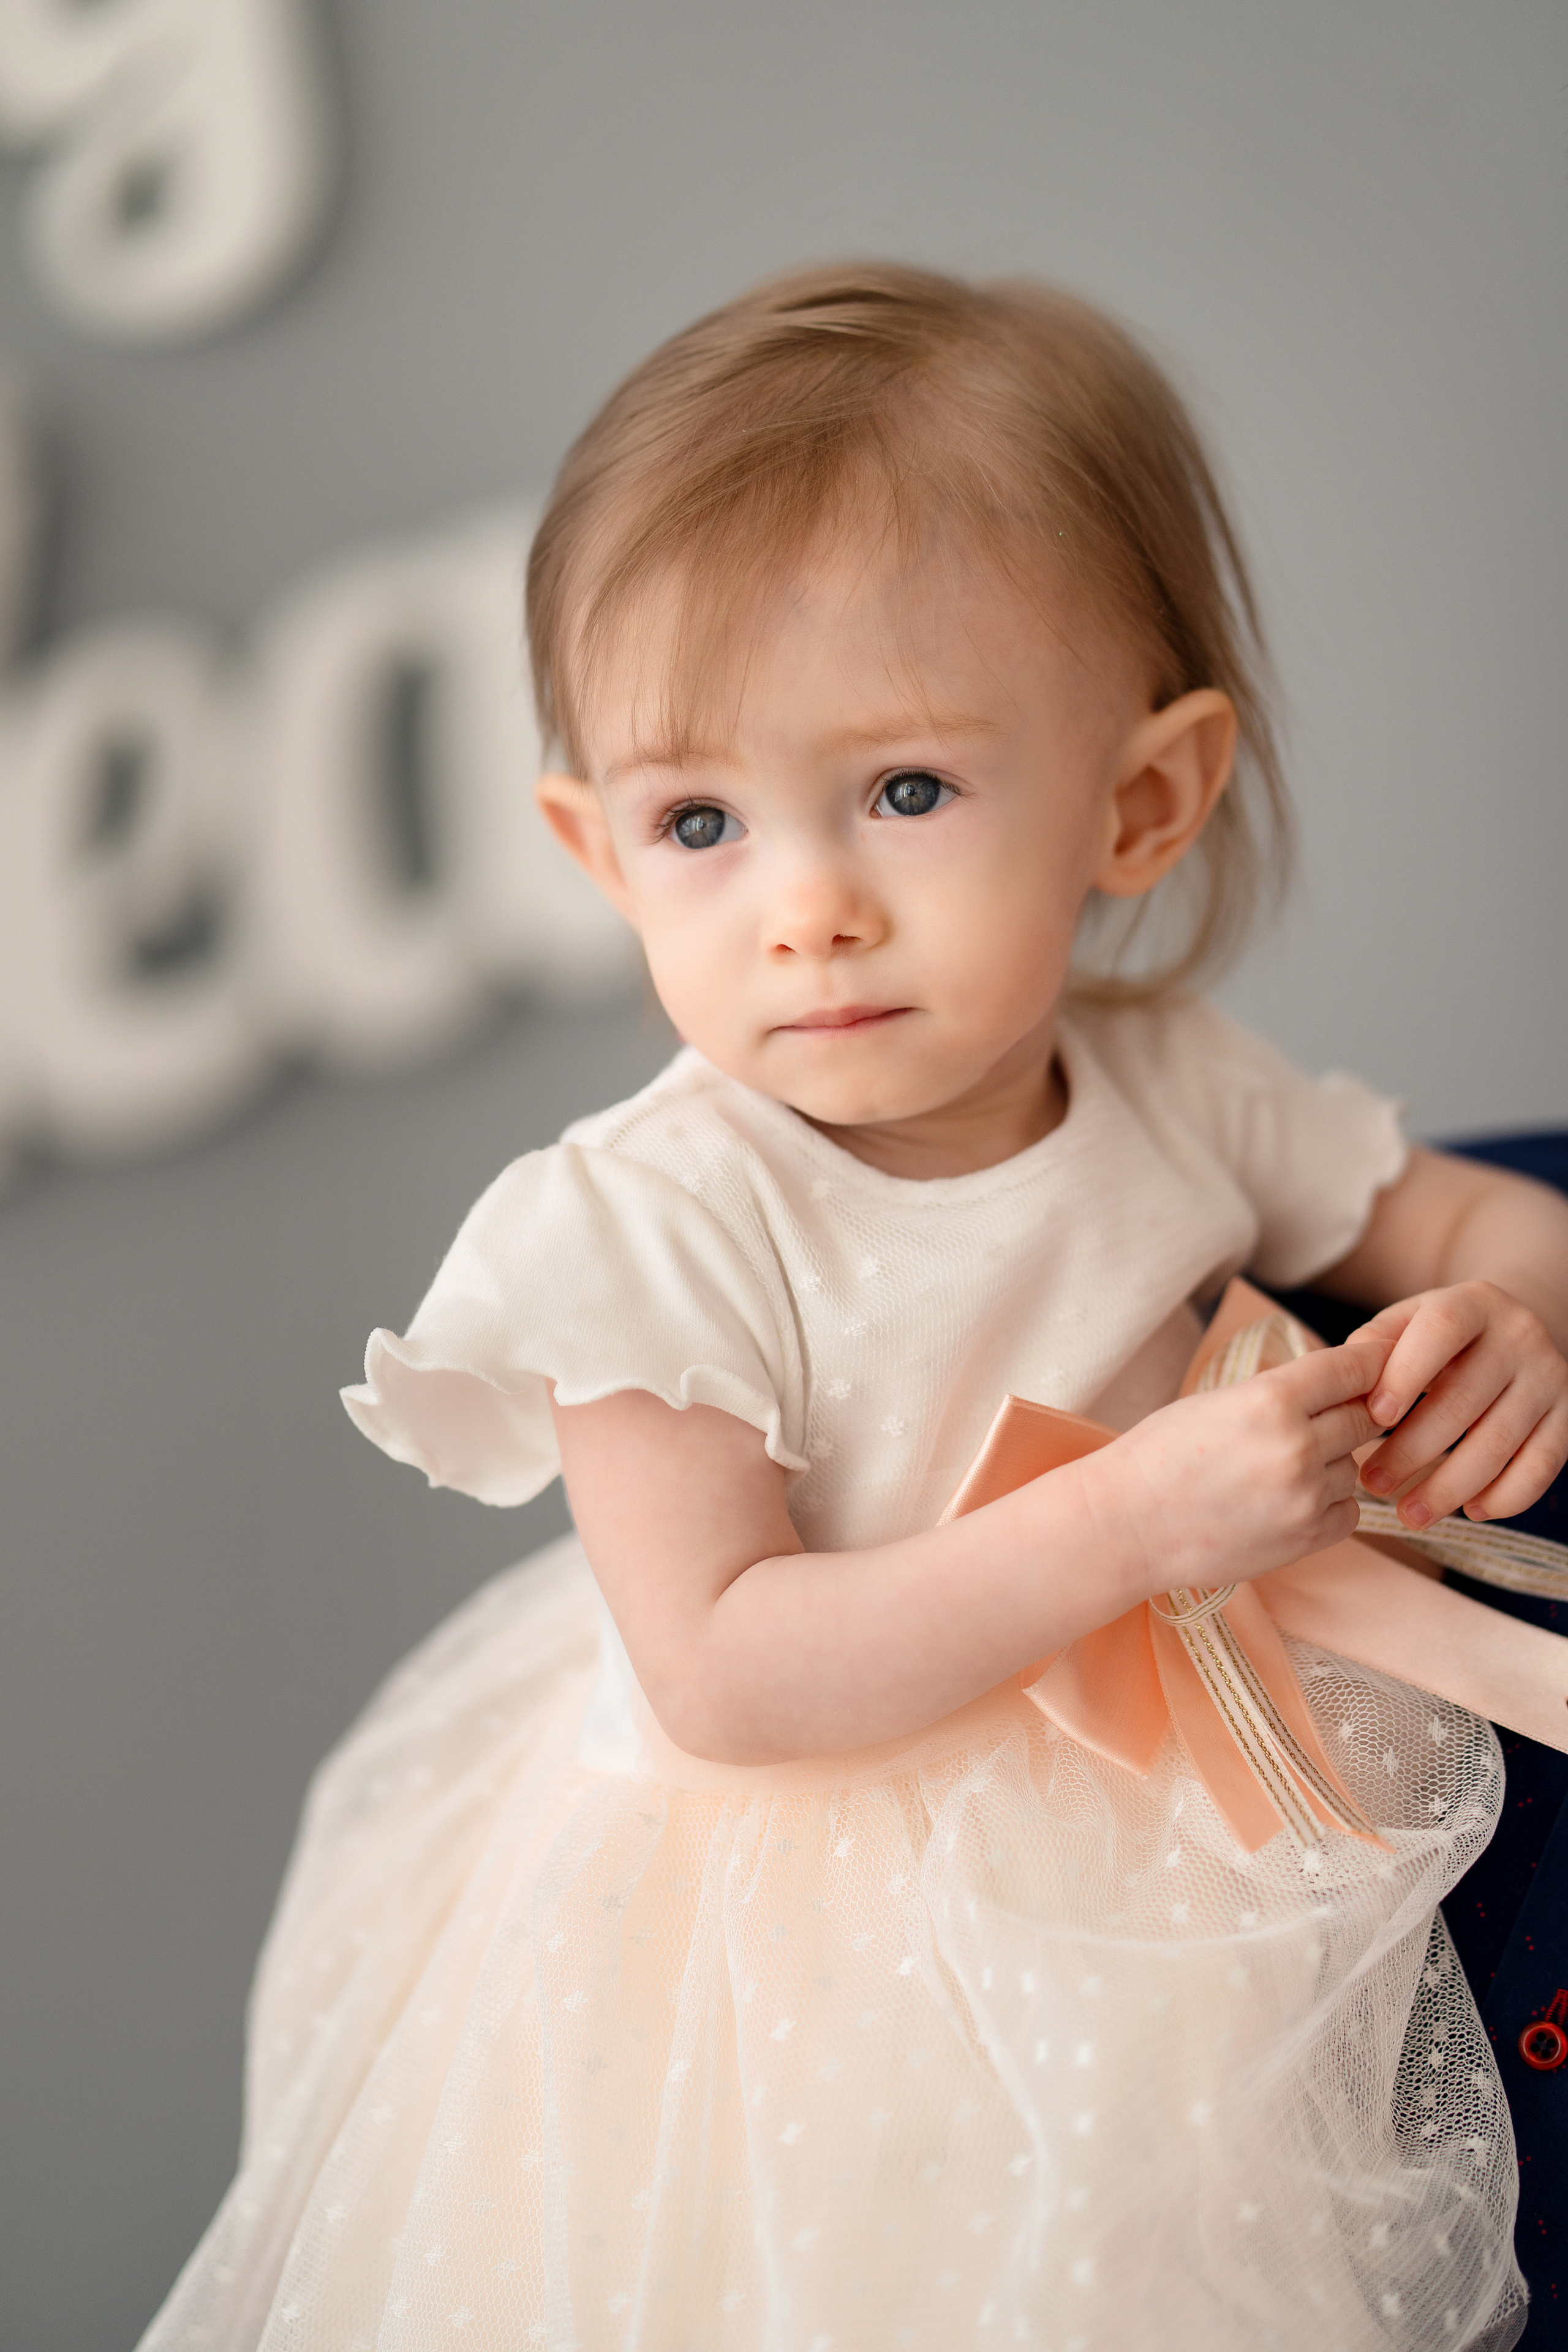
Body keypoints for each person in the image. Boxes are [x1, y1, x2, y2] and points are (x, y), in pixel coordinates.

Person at [141, 265, 1568, 2352]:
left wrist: (1517, 1320)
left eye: (903, 791)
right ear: (598, 851)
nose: (804, 903)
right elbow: (726, 1665)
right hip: (834, 1925)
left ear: (1139, 803)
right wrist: (1137, 1525)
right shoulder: (651, 1227)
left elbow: (1474, 1224)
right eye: (699, 822)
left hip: (1204, 1811)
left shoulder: (1167, 1079)